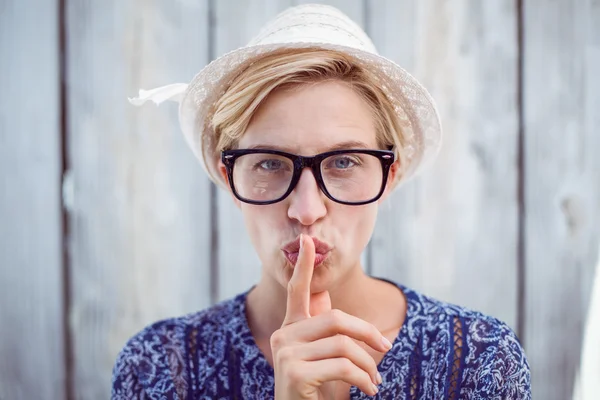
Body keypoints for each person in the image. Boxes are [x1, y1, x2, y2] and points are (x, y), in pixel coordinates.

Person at [113, 4, 531, 399]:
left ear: (389, 175)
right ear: (229, 179)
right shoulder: (160, 369)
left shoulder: (479, 359)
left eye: (344, 162)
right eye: (270, 164)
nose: (307, 210)